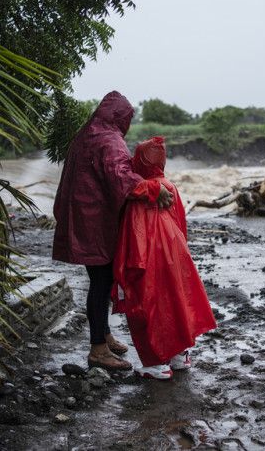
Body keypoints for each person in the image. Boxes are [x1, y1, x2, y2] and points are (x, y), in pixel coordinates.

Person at [52, 91, 174, 371]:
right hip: (95, 221)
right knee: (101, 282)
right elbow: (120, 176)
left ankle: (104, 335)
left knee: (100, 279)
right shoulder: (109, 139)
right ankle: (97, 349)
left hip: (81, 216)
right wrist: (153, 189)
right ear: (121, 117)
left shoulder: (88, 133)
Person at [112, 136, 217, 380]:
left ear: (138, 162)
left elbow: (134, 232)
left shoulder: (141, 194)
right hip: (176, 253)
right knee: (176, 303)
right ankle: (179, 355)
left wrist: (125, 269)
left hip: (148, 257)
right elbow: (181, 222)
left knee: (147, 307)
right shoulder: (169, 186)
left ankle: (155, 363)